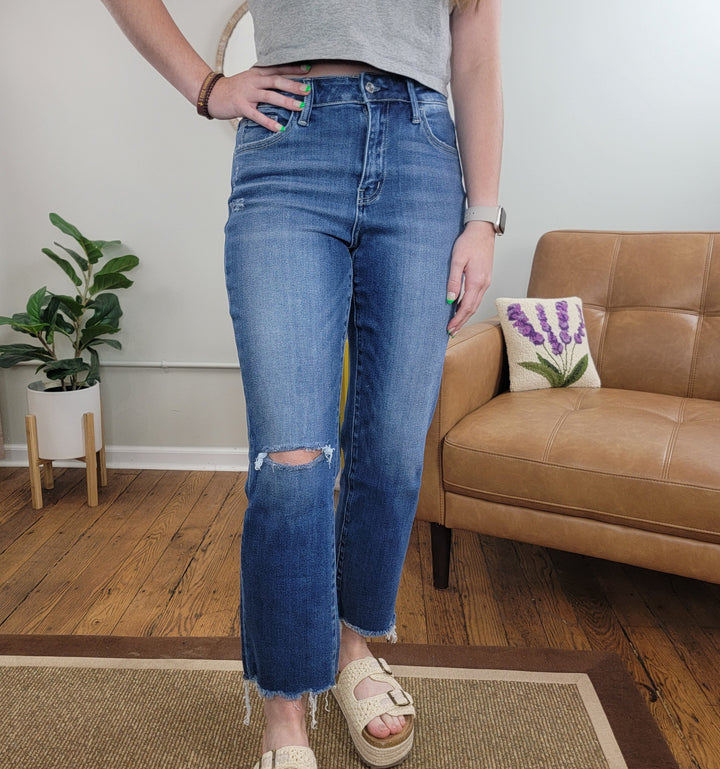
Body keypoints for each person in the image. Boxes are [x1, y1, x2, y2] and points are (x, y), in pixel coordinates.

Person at [100, 1, 503, 767]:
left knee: (389, 451)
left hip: (422, 153)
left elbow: (475, 43)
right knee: (292, 460)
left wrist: (483, 214)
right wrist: (206, 85)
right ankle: (286, 712)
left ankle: (354, 653)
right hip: (291, 145)